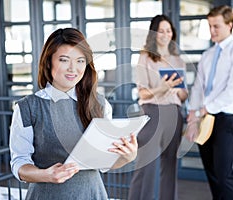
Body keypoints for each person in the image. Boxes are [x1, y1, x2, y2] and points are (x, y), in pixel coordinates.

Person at [9, 28, 138, 200]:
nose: (73, 69)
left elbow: (104, 164)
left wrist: (127, 157)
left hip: (92, 194)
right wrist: (46, 175)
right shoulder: (28, 108)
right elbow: (19, 163)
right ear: (49, 62)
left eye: (80, 61)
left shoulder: (100, 104)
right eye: (64, 60)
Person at [185, 5, 233, 200]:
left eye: (216, 26)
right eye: (210, 26)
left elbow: (232, 92)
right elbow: (198, 87)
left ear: (230, 25)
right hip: (203, 118)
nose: (212, 30)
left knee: (224, 177)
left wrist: (202, 110)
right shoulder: (207, 55)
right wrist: (193, 115)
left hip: (224, 119)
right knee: (212, 175)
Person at [128, 15, 188, 200]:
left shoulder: (178, 60)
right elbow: (143, 94)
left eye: (168, 30)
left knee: (170, 166)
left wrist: (178, 92)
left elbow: (184, 95)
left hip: (174, 113)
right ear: (153, 33)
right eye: (160, 30)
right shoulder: (145, 57)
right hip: (153, 113)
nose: (165, 34)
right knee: (146, 165)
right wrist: (163, 87)